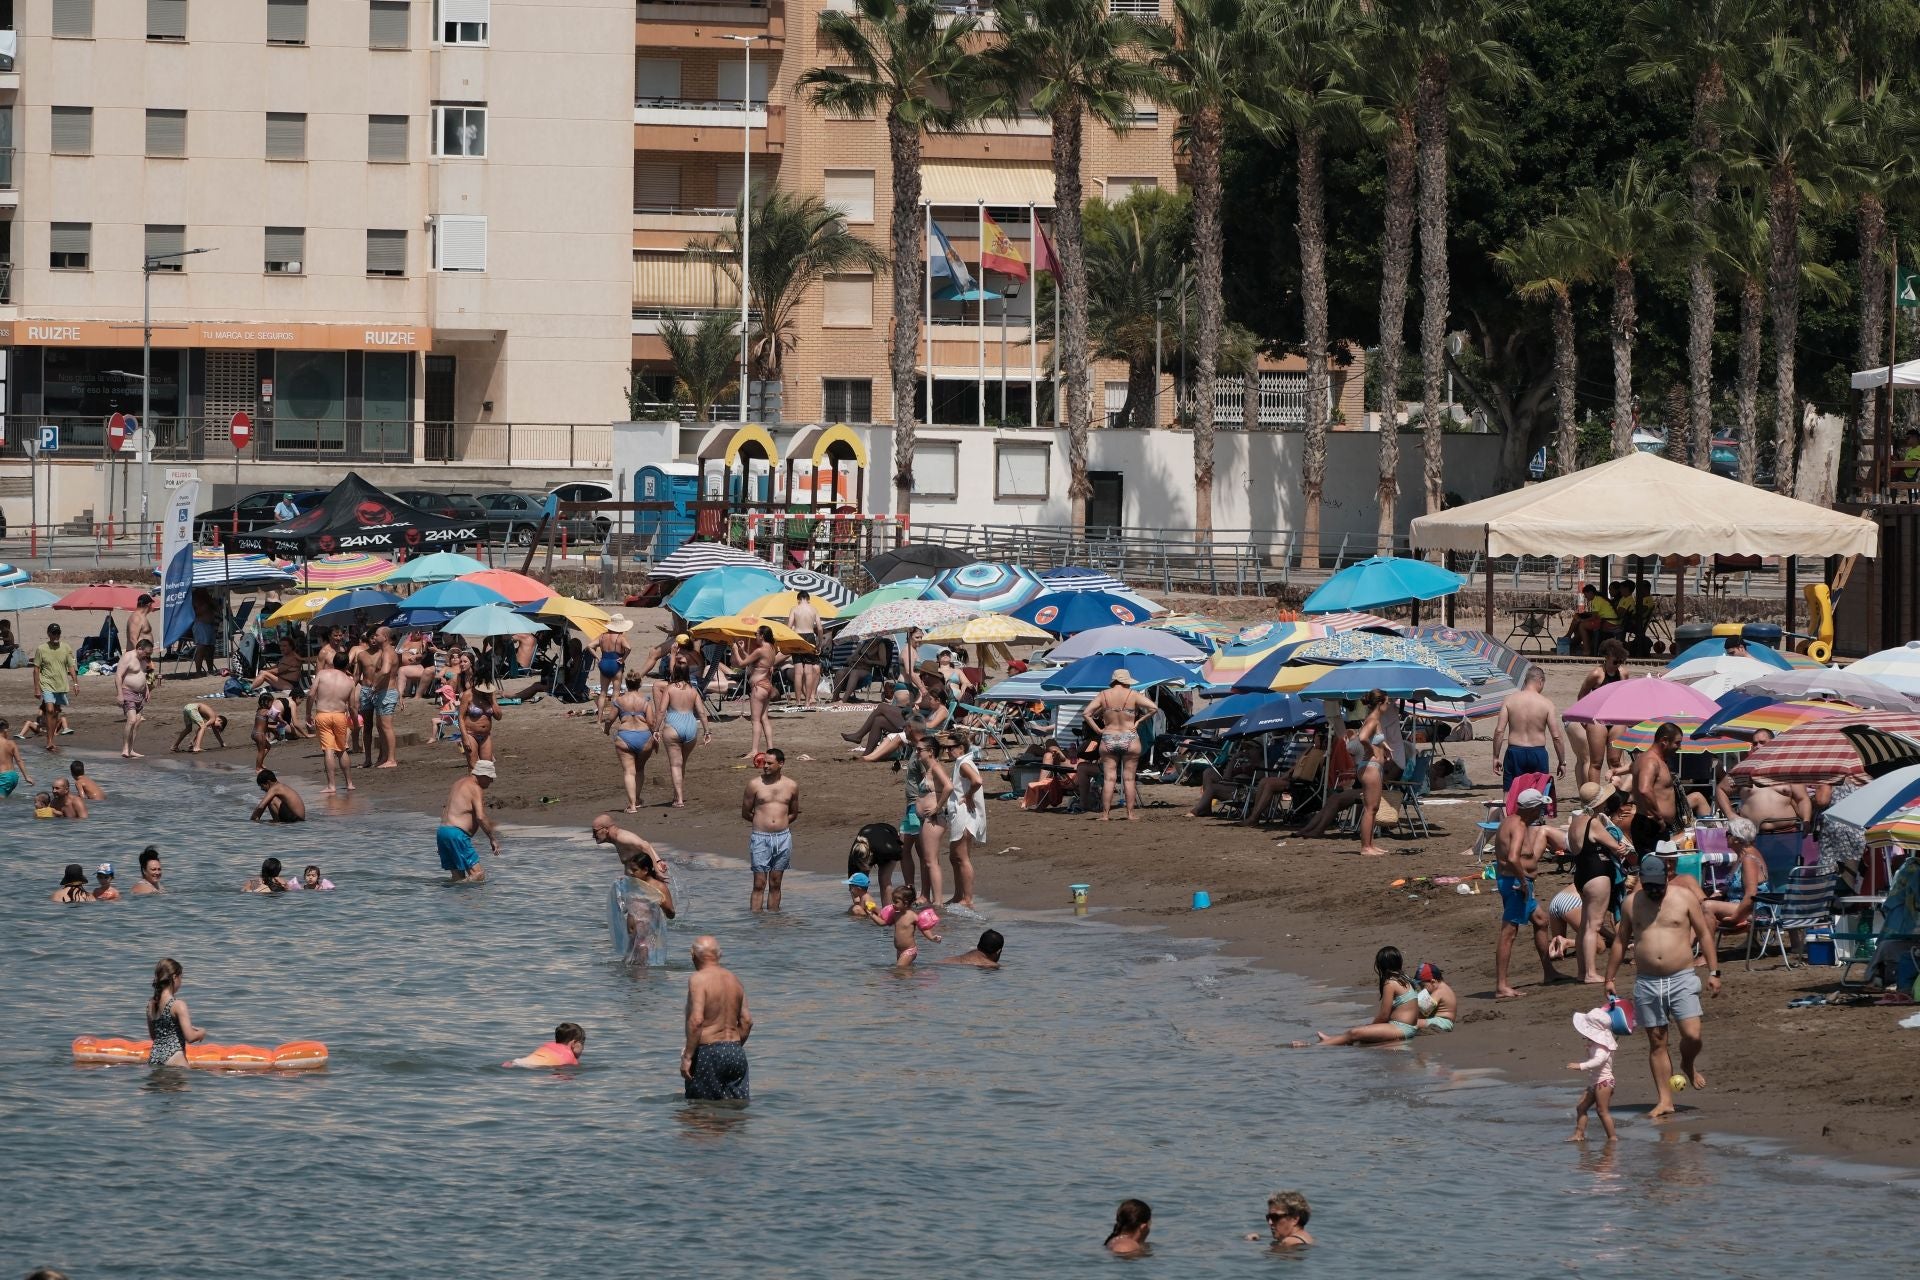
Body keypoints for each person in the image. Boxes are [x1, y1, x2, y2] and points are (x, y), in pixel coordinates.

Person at [1607, 853, 1721, 1118]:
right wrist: (1609, 978)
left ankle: (1688, 1063)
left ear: (1666, 878)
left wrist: (1714, 972)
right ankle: (1665, 1100)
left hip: (1681, 976)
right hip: (1647, 982)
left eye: (1659, 885)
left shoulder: (1684, 898)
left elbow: (1704, 934)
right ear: (1642, 881)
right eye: (1650, 886)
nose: (1655, 891)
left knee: (1692, 1036)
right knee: (1657, 1042)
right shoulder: (1631, 903)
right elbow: (1621, 941)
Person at [1494, 788, 1566, 998]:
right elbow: (1514, 857)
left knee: (1541, 920)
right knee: (1509, 933)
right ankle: (1501, 986)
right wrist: (1524, 882)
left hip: (1516, 882)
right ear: (1532, 808)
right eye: (1540, 807)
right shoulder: (1517, 826)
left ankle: (1549, 972)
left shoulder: (1513, 822)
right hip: (1517, 884)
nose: (1541, 811)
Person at [1561, 788, 1634, 983]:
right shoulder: (1593, 823)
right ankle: (1591, 973)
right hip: (1597, 875)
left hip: (1582, 874)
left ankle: (1581, 971)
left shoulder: (1576, 822)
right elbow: (1617, 847)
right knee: (1594, 925)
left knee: (1585, 925)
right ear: (1600, 803)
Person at [1297, 945, 1423, 1045]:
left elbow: (1384, 1015)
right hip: (1405, 1027)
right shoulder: (1405, 979)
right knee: (1360, 1036)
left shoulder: (1390, 982)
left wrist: (1370, 1027)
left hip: (1400, 1028)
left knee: (1355, 1032)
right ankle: (1331, 1040)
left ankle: (1313, 1046)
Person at [681, 936, 752, 1103]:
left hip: (708, 1052)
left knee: (700, 1112)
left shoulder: (698, 979)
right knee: (735, 1110)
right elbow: (747, 1021)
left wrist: (688, 1056)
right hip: (736, 1052)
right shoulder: (734, 980)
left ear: (693, 955)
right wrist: (730, 1047)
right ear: (719, 955)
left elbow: (697, 1020)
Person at [1083, 669, 1158, 820]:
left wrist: (1098, 730)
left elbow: (1086, 713)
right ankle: (1130, 814)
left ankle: (1105, 815)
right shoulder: (1133, 694)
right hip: (1130, 736)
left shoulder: (1103, 695)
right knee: (1129, 778)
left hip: (1109, 736)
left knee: (1109, 778)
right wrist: (1138, 721)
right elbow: (1154, 708)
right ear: (1126, 681)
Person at [742, 748, 800, 912]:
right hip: (760, 837)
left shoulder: (791, 786)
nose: (765, 766)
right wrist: (763, 823)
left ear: (780, 764)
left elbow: (794, 813)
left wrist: (780, 823)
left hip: (782, 838)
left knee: (776, 883)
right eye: (763, 763)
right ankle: (756, 920)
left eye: (769, 763)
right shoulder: (754, 785)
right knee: (759, 883)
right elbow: (745, 812)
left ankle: (774, 921)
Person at [1492, 667, 1566, 790]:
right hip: (1537, 753)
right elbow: (1556, 737)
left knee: (1510, 795)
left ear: (1526, 681)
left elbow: (1499, 731)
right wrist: (1561, 761)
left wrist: (1495, 757)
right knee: (1539, 795)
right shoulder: (1547, 704)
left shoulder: (1509, 700)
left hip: (1514, 752)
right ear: (1541, 681)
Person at [1241, 727, 1331, 827]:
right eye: (1316, 737)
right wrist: (1285, 775)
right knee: (1263, 781)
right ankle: (1255, 815)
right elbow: (1297, 765)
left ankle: (1254, 818)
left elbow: (1317, 771)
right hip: (1297, 778)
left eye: (1319, 737)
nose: (1316, 739)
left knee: (1269, 785)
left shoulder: (1325, 752)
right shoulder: (1310, 748)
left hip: (1306, 782)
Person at [653, 658, 712, 807]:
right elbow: (702, 713)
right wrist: (707, 731)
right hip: (691, 726)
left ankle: (679, 799)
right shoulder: (693, 691)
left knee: (675, 765)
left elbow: (661, 710)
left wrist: (656, 729)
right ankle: (677, 795)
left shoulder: (670, 689)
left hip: (673, 726)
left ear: (674, 672)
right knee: (682, 764)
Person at [904, 734, 953, 906]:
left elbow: (949, 786)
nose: (916, 753)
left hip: (934, 818)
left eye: (919, 750)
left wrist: (937, 807)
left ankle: (938, 901)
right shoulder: (928, 769)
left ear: (930, 752)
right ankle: (931, 898)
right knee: (928, 860)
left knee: (931, 862)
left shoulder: (936, 767)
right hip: (927, 818)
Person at [941, 731, 985, 908]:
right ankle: (959, 895)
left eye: (950, 748)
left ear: (960, 748)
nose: (947, 751)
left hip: (965, 815)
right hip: (963, 814)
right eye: (946, 748)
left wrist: (968, 796)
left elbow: (977, 781)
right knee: (955, 857)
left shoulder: (964, 763)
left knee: (962, 857)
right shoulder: (962, 762)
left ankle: (967, 899)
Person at [438, 760, 501, 884]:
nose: (491, 781)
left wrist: (445, 839)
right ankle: (476, 902)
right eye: (490, 778)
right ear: (482, 775)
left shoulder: (458, 783)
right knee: (478, 875)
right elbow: (480, 817)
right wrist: (492, 838)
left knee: (457, 879)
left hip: (443, 831)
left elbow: (447, 809)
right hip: (457, 835)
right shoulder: (475, 788)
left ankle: (458, 901)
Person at [1704, 817, 1768, 931]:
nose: (1726, 836)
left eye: (1728, 833)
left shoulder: (1749, 859)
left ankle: (1704, 946)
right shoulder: (1742, 855)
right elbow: (1739, 884)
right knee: (1701, 901)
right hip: (1743, 907)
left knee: (1707, 907)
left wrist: (1734, 918)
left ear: (1737, 839)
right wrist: (1721, 893)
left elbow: (1751, 896)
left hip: (1757, 911)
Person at [306, 650, 357, 794]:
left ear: (334, 662)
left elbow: (311, 694)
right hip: (340, 715)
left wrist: (308, 713)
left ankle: (331, 785)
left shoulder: (322, 674)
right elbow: (353, 706)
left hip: (323, 714)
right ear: (347, 665)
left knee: (328, 750)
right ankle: (349, 783)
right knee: (341, 750)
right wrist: (355, 722)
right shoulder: (350, 681)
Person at [602, 671, 654, 812]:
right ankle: (637, 799)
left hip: (625, 737)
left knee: (629, 772)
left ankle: (632, 806)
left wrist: (606, 730)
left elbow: (609, 719)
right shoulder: (645, 701)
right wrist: (655, 737)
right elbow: (651, 722)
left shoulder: (619, 701)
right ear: (640, 684)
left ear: (627, 684)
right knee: (640, 769)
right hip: (644, 736)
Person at [352, 626, 402, 769]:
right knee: (374, 726)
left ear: (384, 637)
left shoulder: (386, 653)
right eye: (372, 636)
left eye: (377, 635)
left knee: (385, 727)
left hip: (383, 691)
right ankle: (377, 758)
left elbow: (387, 671)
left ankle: (389, 758)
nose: (375, 638)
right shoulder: (364, 654)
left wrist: (374, 685)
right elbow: (357, 675)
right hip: (372, 691)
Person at [1631, 721, 1685, 852]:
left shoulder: (1649, 759)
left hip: (1654, 825)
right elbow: (1644, 789)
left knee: (1659, 868)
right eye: (1677, 743)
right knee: (1655, 869)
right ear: (1664, 740)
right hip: (1651, 825)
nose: (1679, 747)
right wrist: (1659, 818)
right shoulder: (1651, 761)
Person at [1568, 1006, 1618, 1141]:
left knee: (1602, 1111)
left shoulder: (1601, 1047)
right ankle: (1579, 1134)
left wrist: (1581, 1066)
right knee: (1581, 1107)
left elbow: (1599, 1061)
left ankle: (1612, 1138)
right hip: (1594, 1082)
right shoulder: (1595, 1043)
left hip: (1604, 1082)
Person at [145, 957, 207, 1066]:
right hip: (174, 1058)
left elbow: (154, 1036)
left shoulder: (151, 1004)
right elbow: (190, 1037)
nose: (181, 982)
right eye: (181, 978)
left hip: (154, 1057)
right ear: (174, 977)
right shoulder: (178, 1005)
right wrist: (202, 1032)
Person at [861, 884, 943, 965]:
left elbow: (924, 929)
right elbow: (882, 923)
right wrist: (871, 914)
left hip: (909, 950)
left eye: (896, 902)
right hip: (899, 950)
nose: (893, 904)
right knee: (902, 975)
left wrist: (932, 937)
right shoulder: (895, 914)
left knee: (899, 968)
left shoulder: (913, 916)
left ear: (906, 903)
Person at [732, 625, 781, 759]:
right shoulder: (771, 648)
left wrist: (735, 650)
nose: (755, 637)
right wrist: (743, 650)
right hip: (766, 685)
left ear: (762, 636)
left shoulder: (760, 650)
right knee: (764, 718)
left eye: (756, 634)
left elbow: (742, 664)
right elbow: (754, 663)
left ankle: (754, 750)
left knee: (755, 720)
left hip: (758, 687)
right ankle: (770, 749)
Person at [30, 623, 77, 752]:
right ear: (49, 634)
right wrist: (36, 688)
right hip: (47, 684)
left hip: (61, 685)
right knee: (49, 710)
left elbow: (71, 666)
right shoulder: (41, 649)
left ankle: (51, 738)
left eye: (58, 633)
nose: (56, 635)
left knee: (56, 713)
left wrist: (76, 683)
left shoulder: (66, 647)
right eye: (54, 633)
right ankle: (49, 740)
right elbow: (36, 669)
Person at [114, 637, 155, 758]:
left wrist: (147, 689)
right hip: (128, 692)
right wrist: (119, 694)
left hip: (140, 694)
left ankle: (131, 749)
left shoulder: (144, 658)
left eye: (149, 653)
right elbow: (118, 676)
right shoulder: (128, 657)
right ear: (139, 649)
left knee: (137, 722)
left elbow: (143, 674)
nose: (147, 656)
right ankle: (125, 749)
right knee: (131, 720)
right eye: (146, 653)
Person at [842, 683, 913, 752]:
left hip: (915, 719)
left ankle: (859, 735)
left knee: (881, 707)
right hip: (907, 714)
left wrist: (914, 703)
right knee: (879, 720)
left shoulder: (922, 687)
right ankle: (866, 755)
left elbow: (920, 703)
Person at [847, 821, 905, 901]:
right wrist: (857, 905)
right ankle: (862, 907)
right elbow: (852, 883)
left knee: (884, 880)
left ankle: (887, 910)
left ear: (870, 858)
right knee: (859, 880)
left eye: (866, 865)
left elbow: (900, 853)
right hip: (869, 836)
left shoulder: (889, 850)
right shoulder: (854, 856)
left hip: (887, 836)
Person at [787, 590, 824, 707]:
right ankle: (807, 702)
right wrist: (819, 643)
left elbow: (789, 626)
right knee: (808, 672)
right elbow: (820, 628)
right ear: (808, 599)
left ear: (798, 599)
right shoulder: (813, 609)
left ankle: (798, 701)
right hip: (809, 637)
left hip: (797, 636)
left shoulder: (794, 609)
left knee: (798, 672)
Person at [593, 615, 633, 712]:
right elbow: (629, 648)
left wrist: (597, 657)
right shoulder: (620, 637)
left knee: (603, 693)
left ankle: (599, 719)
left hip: (604, 662)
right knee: (616, 693)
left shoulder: (602, 636)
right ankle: (612, 716)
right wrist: (623, 659)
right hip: (616, 664)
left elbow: (590, 646)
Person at [505, 1022, 587, 1070]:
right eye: (582, 1043)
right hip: (532, 1067)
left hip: (518, 1061)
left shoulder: (548, 1046)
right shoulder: (571, 1058)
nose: (583, 1047)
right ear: (573, 1043)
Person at [1248, 1191, 1314, 1248]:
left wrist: (1251, 1244)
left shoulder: (1289, 1242)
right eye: (1269, 1217)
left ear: (1295, 1219)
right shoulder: (1307, 1238)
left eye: (1275, 1217)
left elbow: (1267, 1258)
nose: (1270, 1222)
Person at [459, 681, 503, 767]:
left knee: (487, 766)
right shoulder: (468, 695)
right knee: (473, 766)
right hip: (470, 734)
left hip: (485, 735)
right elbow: (460, 717)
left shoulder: (489, 694)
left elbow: (498, 717)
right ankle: (472, 781)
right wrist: (465, 738)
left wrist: (492, 701)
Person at [1412, 961, 1456, 1033]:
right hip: (1442, 1021)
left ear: (1433, 982)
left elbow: (1425, 1010)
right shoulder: (1442, 988)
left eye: (1423, 986)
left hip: (1442, 1022)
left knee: (1412, 1024)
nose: (1422, 989)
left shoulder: (1439, 991)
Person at [0, 725, 33, 799]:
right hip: (13, 777)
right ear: (5, 730)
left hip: (3, 777)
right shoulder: (11, 743)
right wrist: (26, 777)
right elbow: (19, 760)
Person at [250, 692, 278, 771]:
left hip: (255, 733)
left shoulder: (259, 710)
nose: (272, 705)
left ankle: (260, 762)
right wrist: (281, 721)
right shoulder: (265, 711)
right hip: (260, 734)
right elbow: (275, 716)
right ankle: (258, 768)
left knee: (268, 746)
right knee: (261, 751)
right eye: (271, 703)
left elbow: (265, 724)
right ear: (266, 702)